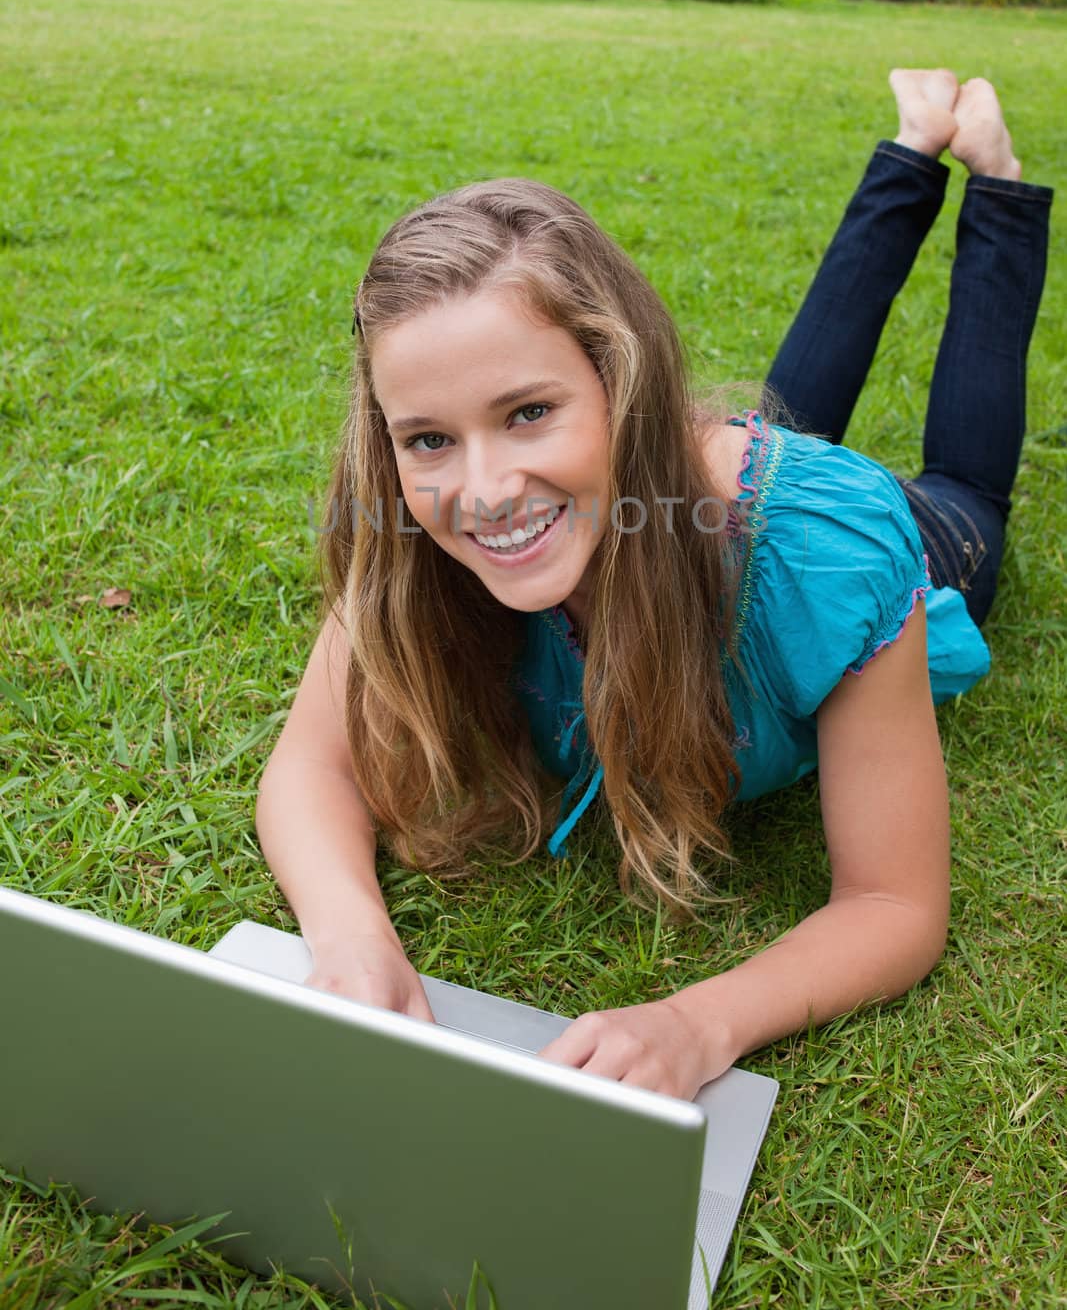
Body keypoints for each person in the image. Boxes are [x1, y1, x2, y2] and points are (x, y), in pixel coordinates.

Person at [255, 70, 1053, 1103]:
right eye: (428, 437)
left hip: (887, 538)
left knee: (963, 481)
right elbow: (308, 769)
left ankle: (991, 177)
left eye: (529, 410)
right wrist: (352, 938)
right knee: (789, 403)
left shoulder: (828, 557)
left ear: (622, 385)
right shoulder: (418, 528)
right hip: (673, 494)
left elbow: (896, 902)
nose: (484, 490)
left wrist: (697, 1021)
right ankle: (907, 148)